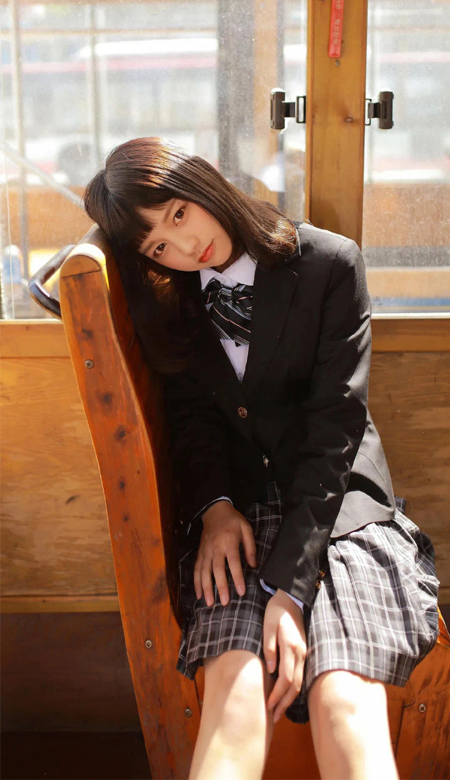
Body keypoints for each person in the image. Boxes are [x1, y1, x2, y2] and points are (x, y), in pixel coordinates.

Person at [83, 137, 440, 780]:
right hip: (240, 513)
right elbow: (191, 421)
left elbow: (336, 429)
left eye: (179, 214)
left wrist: (289, 593)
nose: (185, 247)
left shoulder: (329, 262)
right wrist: (215, 509)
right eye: (158, 247)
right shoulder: (172, 299)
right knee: (237, 690)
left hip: (339, 509)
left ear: (201, 182)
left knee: (342, 698)